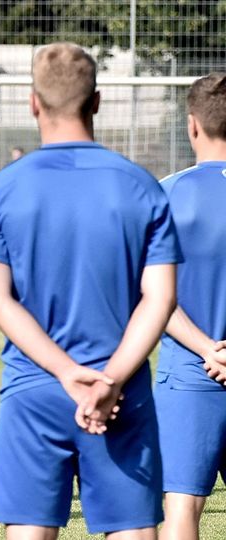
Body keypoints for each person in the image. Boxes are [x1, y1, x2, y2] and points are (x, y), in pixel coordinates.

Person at [0, 42, 180, 539]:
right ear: (98, 101)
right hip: (122, 392)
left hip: (34, 389)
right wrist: (109, 380)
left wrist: (66, 373)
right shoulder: (142, 187)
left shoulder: (3, 189)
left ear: (33, 102)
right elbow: (161, 298)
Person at [155, 73, 226, 540]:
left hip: (190, 372)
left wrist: (209, 349)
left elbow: (154, 295)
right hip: (197, 368)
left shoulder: (166, 194)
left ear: (192, 125)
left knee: (182, 508)